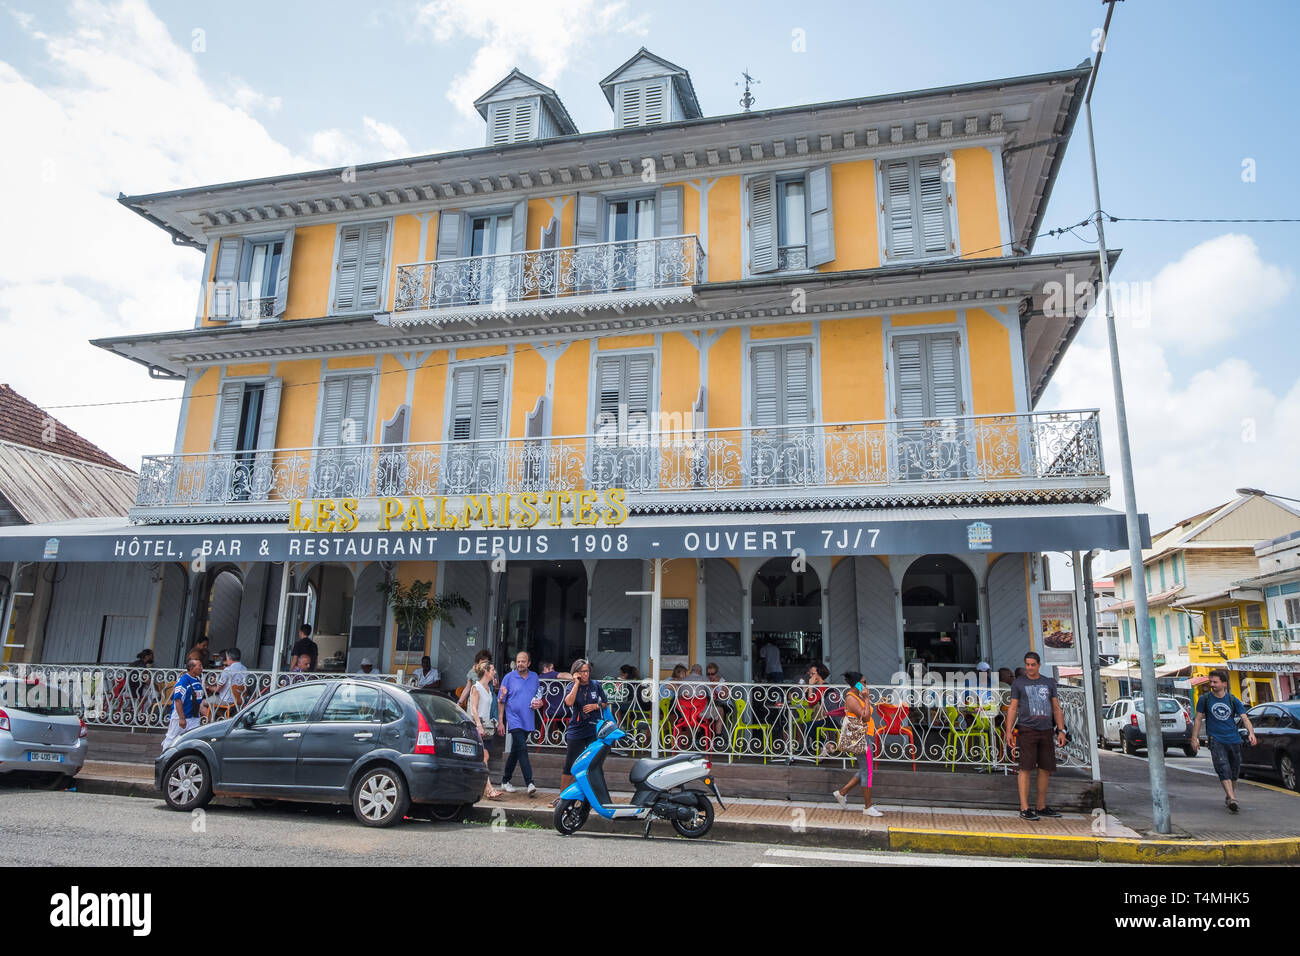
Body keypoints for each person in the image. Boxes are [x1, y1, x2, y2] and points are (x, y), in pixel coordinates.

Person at [1004, 651, 1067, 820]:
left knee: (1045, 768)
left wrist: (1061, 730)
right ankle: (1024, 807)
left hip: (1046, 729)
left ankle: (1041, 806)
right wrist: (1008, 730)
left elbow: (1056, 708)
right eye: (1027, 664)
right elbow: (1012, 708)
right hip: (1027, 729)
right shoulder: (1018, 683)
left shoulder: (1048, 683)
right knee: (1025, 768)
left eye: (1033, 665)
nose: (1030, 668)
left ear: (1039, 665)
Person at [1191, 669, 1257, 813]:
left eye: (1215, 682)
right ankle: (1232, 798)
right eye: (1211, 682)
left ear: (1224, 684)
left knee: (1234, 771)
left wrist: (1251, 733)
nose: (1212, 685)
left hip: (1234, 739)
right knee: (1223, 767)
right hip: (1216, 739)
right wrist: (1194, 738)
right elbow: (1197, 719)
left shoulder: (1233, 700)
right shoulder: (1205, 699)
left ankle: (1229, 796)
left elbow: (1244, 718)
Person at [552, 658, 607, 809]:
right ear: (576, 673)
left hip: (593, 729)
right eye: (582, 671)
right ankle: (562, 797)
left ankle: (591, 797)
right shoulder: (572, 686)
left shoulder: (596, 686)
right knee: (570, 763)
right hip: (576, 729)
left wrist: (595, 706)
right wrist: (576, 683)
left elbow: (605, 703)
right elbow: (569, 702)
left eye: (587, 671)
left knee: (592, 763)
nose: (586, 674)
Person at [831, 672, 882, 816]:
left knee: (866, 769)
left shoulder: (857, 696)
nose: (865, 685)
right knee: (868, 772)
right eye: (863, 682)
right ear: (857, 683)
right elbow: (865, 717)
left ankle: (842, 793)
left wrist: (865, 698)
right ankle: (867, 807)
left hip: (865, 735)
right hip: (860, 738)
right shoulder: (851, 698)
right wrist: (866, 698)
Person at [498, 651, 541, 796]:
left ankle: (505, 781)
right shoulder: (508, 678)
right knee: (522, 748)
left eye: (523, 661)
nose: (520, 664)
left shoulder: (534, 677)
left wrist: (539, 703)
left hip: (528, 719)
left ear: (529, 663)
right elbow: (501, 701)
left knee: (515, 751)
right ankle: (530, 782)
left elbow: (538, 695)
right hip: (514, 719)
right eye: (518, 661)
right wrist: (501, 722)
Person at [468, 660, 504, 800]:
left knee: (482, 757)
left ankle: (481, 787)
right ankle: (489, 789)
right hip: (479, 726)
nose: (494, 672)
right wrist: (478, 725)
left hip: (487, 727)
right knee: (484, 757)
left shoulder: (489, 689)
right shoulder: (476, 688)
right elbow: (474, 708)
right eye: (493, 670)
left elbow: (492, 705)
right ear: (487, 672)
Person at [161, 658, 207, 752]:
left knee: (193, 741)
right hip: (181, 717)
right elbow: (178, 700)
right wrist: (182, 718)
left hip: (193, 717)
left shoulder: (197, 680)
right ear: (191, 668)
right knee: (171, 739)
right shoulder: (183, 681)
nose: (202, 668)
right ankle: (164, 757)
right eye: (199, 666)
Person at [213, 648, 248, 720]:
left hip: (226, 700)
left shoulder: (228, 670)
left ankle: (211, 723)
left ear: (229, 658)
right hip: (239, 699)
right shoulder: (245, 669)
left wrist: (207, 686)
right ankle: (227, 718)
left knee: (203, 703)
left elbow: (217, 689)